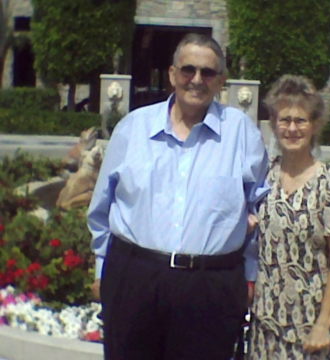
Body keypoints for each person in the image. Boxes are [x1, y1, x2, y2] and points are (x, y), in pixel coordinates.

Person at [87, 33, 268, 360]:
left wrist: (249, 275)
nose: (196, 80)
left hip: (210, 286)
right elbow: (101, 208)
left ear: (220, 81)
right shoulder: (133, 128)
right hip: (134, 279)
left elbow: (260, 209)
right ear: (172, 74)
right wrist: (102, 268)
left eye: (207, 73)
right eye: (188, 70)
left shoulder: (242, 133)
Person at [248, 75, 330, 360]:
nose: (292, 128)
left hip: (310, 331)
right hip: (265, 326)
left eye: (300, 120)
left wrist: (323, 324)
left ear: (315, 125)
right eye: (284, 120)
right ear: (274, 124)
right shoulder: (265, 175)